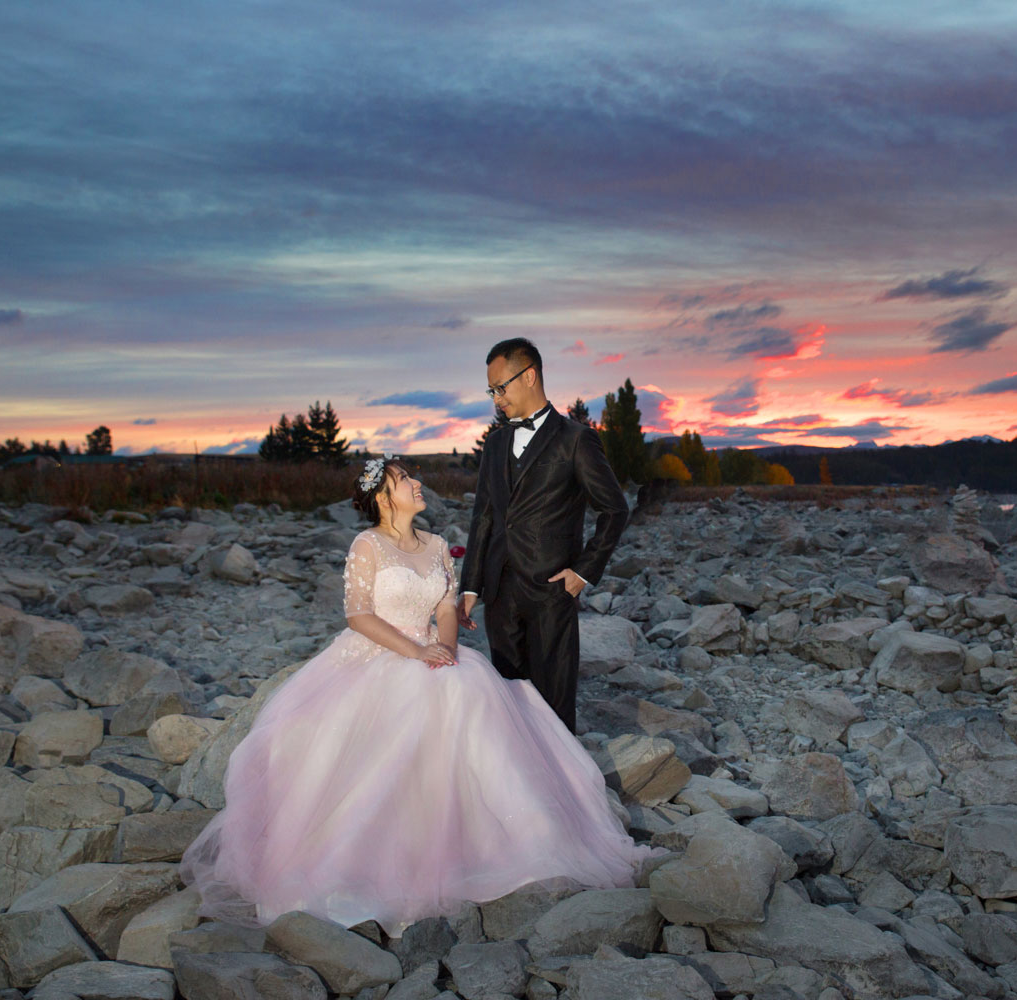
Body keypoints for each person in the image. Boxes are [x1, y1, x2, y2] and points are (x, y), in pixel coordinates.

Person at [178, 457, 659, 934]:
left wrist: (444, 648)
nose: (417, 483)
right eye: (405, 479)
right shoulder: (366, 545)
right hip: (378, 653)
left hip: (434, 648)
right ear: (385, 499)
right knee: (397, 721)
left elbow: (447, 608)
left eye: (411, 475)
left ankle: (515, 839)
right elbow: (359, 616)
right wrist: (415, 651)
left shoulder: (434, 545)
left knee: (470, 692)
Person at [459, 338, 630, 732]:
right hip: (499, 593)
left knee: (553, 708)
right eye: (491, 390)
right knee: (507, 703)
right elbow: (483, 515)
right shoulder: (496, 442)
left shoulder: (576, 439)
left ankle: (559, 788)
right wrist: (471, 587)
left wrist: (583, 573)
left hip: (552, 592)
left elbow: (615, 509)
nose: (496, 398)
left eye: (500, 387)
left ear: (530, 375)